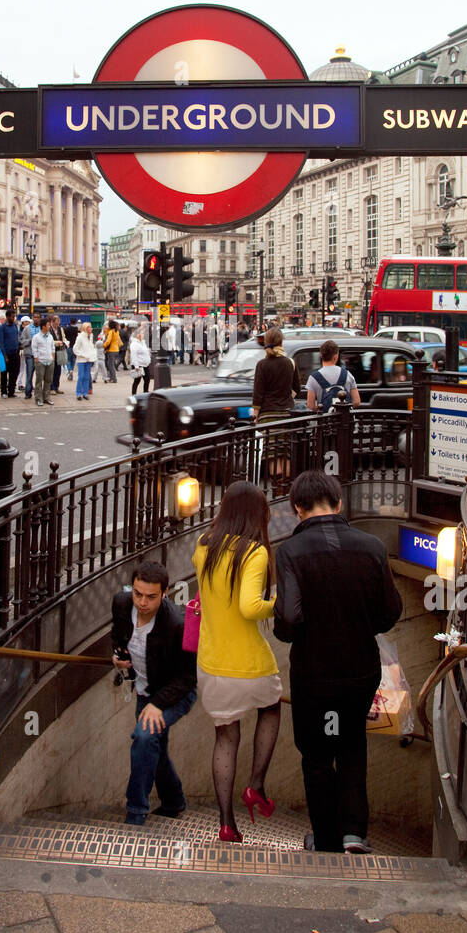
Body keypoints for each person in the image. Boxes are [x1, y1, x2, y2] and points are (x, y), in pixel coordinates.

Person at [274, 470, 403, 854]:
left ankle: (326, 840)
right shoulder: (372, 546)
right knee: (351, 746)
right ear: (339, 503)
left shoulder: (291, 552)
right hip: (360, 670)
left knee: (316, 756)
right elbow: (390, 611)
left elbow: (289, 619)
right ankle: (353, 834)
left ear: (298, 509)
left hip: (314, 673)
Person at [193, 482, 282, 844]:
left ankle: (227, 824)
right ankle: (256, 784)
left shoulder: (203, 547)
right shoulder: (255, 552)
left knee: (225, 736)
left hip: (211, 665)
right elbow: (249, 607)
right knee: (272, 708)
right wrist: (276, 601)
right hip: (250, 663)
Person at [111, 561, 197, 824]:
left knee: (145, 738)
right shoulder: (122, 603)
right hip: (144, 690)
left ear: (165, 593)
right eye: (138, 594)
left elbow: (188, 677)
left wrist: (158, 704)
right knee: (153, 750)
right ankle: (173, 802)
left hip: (174, 695)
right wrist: (117, 656)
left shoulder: (177, 624)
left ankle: (136, 812)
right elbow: (118, 636)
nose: (142, 602)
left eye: (151, 596)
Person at [252, 327, 301, 421]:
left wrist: (255, 417)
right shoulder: (290, 363)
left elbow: (258, 394)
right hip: (287, 414)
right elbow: (297, 389)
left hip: (267, 415)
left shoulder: (262, 365)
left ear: (266, 342)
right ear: (281, 342)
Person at [306, 339, 361, 412]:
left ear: (321, 356)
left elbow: (310, 406)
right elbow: (357, 402)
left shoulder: (313, 377)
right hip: (345, 420)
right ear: (335, 356)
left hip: (326, 421)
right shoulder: (347, 374)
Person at [30, 316, 56, 406]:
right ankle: (38, 398)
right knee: (39, 381)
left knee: (48, 381)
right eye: (48, 324)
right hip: (40, 361)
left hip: (49, 361)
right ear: (43, 326)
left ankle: (47, 397)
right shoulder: (36, 337)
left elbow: (53, 347)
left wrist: (52, 357)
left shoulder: (50, 337)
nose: (49, 326)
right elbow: (34, 348)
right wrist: (36, 358)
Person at [0, 309, 21, 399]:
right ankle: (3, 391)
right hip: (6, 354)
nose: (13, 318)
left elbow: (17, 338)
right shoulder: (2, 327)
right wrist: (4, 355)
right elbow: (0, 342)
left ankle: (11, 391)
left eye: (14, 316)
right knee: (4, 373)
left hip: (15, 353)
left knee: (14, 373)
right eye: (11, 316)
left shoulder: (15, 326)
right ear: (7, 317)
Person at [73, 321, 97, 399]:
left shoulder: (91, 336)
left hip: (89, 359)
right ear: (85, 328)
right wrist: (82, 355)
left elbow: (91, 347)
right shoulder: (80, 337)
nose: (91, 329)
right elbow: (75, 349)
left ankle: (85, 393)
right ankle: (78, 393)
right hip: (81, 360)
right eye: (89, 327)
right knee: (81, 376)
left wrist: (93, 356)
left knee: (87, 377)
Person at [129, 325, 152, 395]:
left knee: (147, 380)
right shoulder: (134, 344)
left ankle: (145, 392)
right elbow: (134, 355)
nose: (143, 335)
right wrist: (136, 366)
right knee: (137, 380)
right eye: (142, 333)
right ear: (138, 335)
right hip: (138, 365)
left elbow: (145, 351)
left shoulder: (143, 342)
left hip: (145, 364)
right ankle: (133, 394)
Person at [48, 315, 66, 393]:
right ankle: (51, 388)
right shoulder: (49, 329)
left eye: (58, 322)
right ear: (52, 322)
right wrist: (57, 343)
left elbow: (63, 337)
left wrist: (64, 342)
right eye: (56, 322)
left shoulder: (60, 329)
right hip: (52, 351)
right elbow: (49, 340)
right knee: (52, 370)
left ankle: (56, 386)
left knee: (58, 370)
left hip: (59, 351)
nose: (57, 324)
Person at [20, 315, 36, 399]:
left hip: (40, 355)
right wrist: (29, 341)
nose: (36, 319)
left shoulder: (42, 329)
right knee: (29, 374)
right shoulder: (27, 329)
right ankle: (28, 392)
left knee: (40, 376)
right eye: (35, 317)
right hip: (30, 354)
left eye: (38, 317)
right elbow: (22, 341)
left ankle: (38, 393)